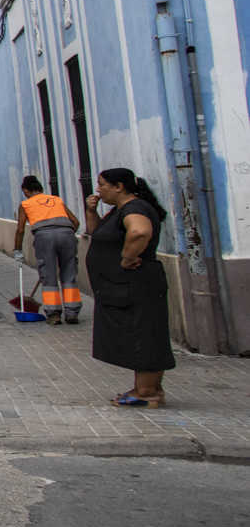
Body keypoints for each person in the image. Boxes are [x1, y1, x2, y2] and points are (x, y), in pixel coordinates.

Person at [84, 167, 175, 407]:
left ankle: (147, 392)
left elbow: (140, 231)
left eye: (102, 184)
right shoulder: (119, 210)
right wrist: (91, 212)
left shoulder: (134, 208)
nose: (98, 189)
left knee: (142, 334)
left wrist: (126, 257)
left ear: (119, 187)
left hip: (135, 285)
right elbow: (96, 233)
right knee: (140, 332)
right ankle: (148, 388)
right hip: (125, 287)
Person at [11, 175, 82, 324]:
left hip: (44, 237)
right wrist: (67, 236)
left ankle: (54, 314)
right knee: (69, 274)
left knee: (48, 276)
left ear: (25, 190)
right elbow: (75, 221)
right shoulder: (56, 200)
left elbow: (20, 230)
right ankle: (72, 313)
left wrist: (17, 250)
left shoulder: (25, 204)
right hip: (67, 233)